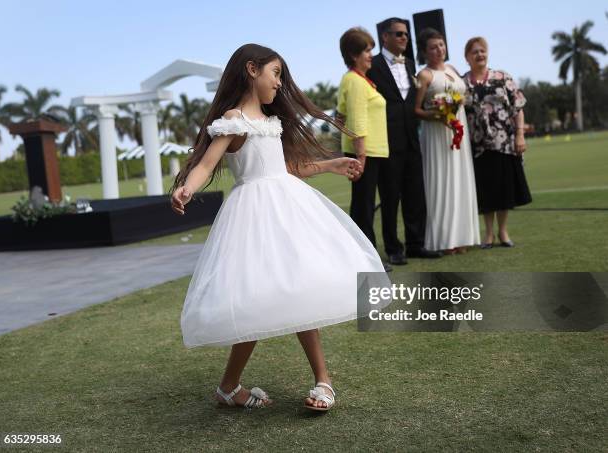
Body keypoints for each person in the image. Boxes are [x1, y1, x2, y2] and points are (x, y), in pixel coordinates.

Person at [170, 44, 390, 412]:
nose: (280, 83)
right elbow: (207, 163)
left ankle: (321, 379)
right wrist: (188, 188)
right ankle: (229, 386)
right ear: (252, 70)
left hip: (288, 210)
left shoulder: (272, 123)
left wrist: (332, 164)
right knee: (258, 301)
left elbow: (287, 169)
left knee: (298, 289)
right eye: (276, 73)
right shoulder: (234, 119)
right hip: (254, 219)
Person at [366, 17, 442, 264]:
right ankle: (393, 249)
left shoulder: (410, 63)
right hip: (386, 141)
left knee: (415, 195)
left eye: (406, 35)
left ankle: (416, 244)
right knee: (390, 197)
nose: (404, 38)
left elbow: (412, 100)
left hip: (412, 138)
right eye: (399, 34)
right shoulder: (373, 65)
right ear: (385, 37)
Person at [414, 28, 480, 253]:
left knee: (460, 181)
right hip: (436, 135)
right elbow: (416, 109)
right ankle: (444, 241)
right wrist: (438, 114)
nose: (439, 50)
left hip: (458, 132)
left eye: (441, 45)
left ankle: (463, 237)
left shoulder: (452, 69)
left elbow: (462, 97)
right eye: (433, 47)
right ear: (424, 51)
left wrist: (456, 105)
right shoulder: (424, 75)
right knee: (441, 183)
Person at [463, 37, 532, 248]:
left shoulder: (502, 77)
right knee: (485, 190)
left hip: (504, 143)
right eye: (474, 52)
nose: (479, 55)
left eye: (482, 51)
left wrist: (520, 135)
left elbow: (518, 108)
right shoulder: (461, 83)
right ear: (467, 57)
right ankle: (489, 234)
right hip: (477, 147)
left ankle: (503, 232)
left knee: (504, 189)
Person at [336, 27, 392, 271]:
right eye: (366, 50)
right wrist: (360, 154)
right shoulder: (355, 81)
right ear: (353, 54)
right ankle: (369, 260)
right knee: (364, 208)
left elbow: (340, 115)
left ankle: (367, 258)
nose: (371, 54)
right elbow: (357, 120)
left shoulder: (357, 80)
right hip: (365, 152)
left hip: (372, 152)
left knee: (365, 206)